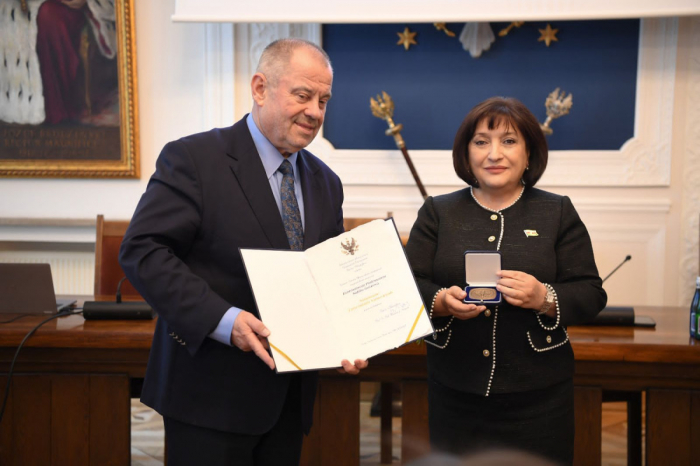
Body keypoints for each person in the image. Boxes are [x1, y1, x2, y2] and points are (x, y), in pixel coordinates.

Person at [119, 38, 367, 466]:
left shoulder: (326, 181)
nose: (315, 112)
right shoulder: (194, 159)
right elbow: (144, 251)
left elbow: (326, 278)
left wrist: (348, 332)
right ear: (259, 88)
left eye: (323, 100)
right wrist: (224, 320)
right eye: (303, 95)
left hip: (289, 401)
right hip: (209, 396)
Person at [404, 96, 607, 464]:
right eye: (481, 142)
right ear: (466, 155)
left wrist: (544, 297)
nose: (494, 153)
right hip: (455, 392)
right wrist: (440, 301)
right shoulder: (438, 211)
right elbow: (405, 283)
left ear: (529, 154)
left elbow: (591, 293)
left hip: (540, 398)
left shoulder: (557, 210)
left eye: (509, 141)